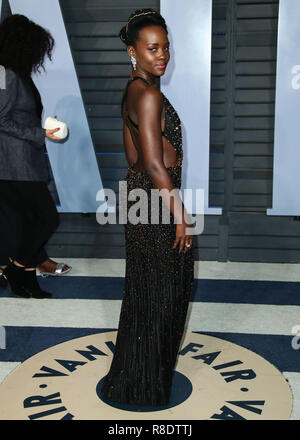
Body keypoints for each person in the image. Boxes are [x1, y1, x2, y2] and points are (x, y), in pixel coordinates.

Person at [100, 9, 195, 406]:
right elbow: (156, 164)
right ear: (132, 51)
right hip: (157, 199)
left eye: (166, 47)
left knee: (145, 289)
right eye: (152, 48)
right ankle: (148, 384)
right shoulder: (151, 94)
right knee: (168, 290)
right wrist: (181, 216)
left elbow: (132, 157)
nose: (163, 55)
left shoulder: (133, 90)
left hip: (138, 192)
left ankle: (134, 377)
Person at [0, 14, 63, 298]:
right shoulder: (6, 74)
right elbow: (1, 119)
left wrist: (42, 130)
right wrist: (40, 134)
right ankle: (16, 267)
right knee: (47, 218)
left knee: (28, 221)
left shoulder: (16, 73)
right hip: (14, 164)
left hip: (25, 162)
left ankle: (27, 282)